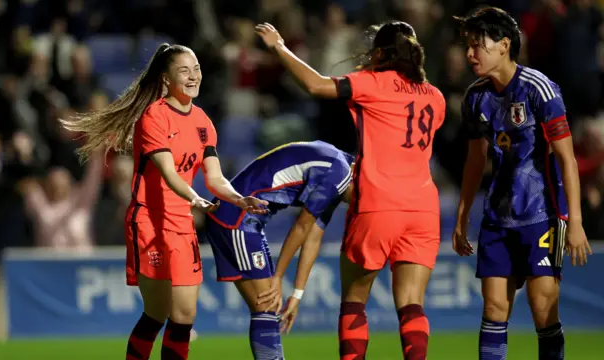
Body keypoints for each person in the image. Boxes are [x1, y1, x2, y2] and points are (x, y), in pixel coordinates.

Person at [60, 43, 268, 360]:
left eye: (196, 69)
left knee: (184, 317)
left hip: (181, 223)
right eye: (184, 70)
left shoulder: (203, 122)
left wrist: (240, 200)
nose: (193, 76)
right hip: (150, 222)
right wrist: (195, 198)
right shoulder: (153, 118)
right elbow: (168, 173)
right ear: (166, 79)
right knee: (156, 315)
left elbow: (214, 177)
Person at [256, 21, 446, 360]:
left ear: (380, 53)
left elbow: (316, 85)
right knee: (412, 304)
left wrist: (278, 47)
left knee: (355, 300)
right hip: (423, 209)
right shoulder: (436, 97)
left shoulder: (372, 83)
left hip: (378, 203)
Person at [452, 7, 592, 360]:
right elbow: (474, 161)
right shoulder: (475, 97)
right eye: (467, 46)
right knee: (494, 310)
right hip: (497, 218)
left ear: (503, 45)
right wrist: (462, 215)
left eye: (477, 45)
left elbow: (567, 158)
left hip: (541, 215)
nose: (470, 54)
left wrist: (574, 222)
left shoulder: (539, 89)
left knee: (544, 309)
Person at [204, 140, 354, 360]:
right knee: (266, 306)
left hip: (245, 219)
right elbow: (301, 226)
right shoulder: (338, 174)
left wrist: (297, 294)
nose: (357, 204)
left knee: (267, 307)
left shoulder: (339, 167)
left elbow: (313, 236)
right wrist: (278, 276)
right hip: (237, 217)